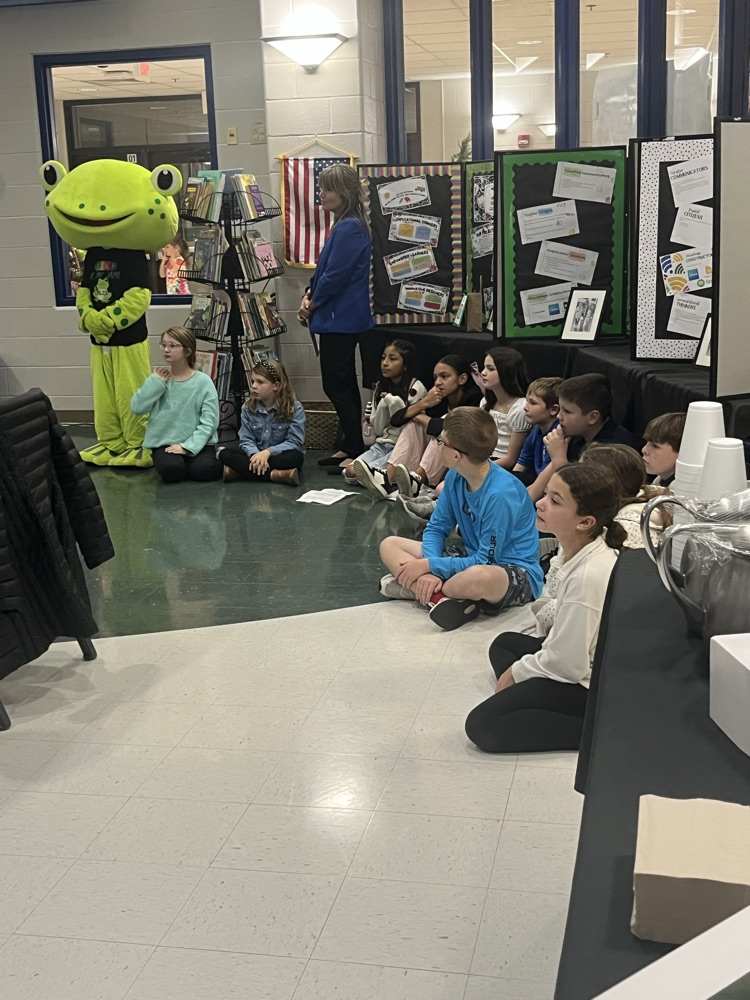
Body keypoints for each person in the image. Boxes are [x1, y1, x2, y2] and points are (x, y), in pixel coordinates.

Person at [464, 463, 625, 754]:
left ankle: (599, 732)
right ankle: (533, 704)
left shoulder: (588, 576)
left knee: (483, 724)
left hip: (590, 684)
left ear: (585, 521)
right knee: (504, 645)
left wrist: (519, 672)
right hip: (582, 659)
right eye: (547, 494)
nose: (540, 503)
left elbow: (569, 665)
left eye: (555, 500)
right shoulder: (578, 548)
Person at [379, 407, 543, 631]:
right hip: (474, 555)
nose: (436, 444)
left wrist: (429, 565)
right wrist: (430, 569)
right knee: (390, 545)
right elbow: (437, 528)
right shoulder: (456, 476)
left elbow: (486, 562)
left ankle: (419, 589)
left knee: (478, 578)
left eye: (440, 441)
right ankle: (439, 593)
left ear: (455, 454)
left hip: (509, 569)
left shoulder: (501, 494)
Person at [297, 164, 373, 467]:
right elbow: (324, 270)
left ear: (343, 192)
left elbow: (335, 276)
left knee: (336, 383)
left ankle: (354, 446)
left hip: (341, 319)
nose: (322, 194)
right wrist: (308, 292)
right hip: (337, 317)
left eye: (327, 189)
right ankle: (351, 443)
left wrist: (312, 303)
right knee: (343, 383)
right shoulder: (346, 223)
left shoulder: (350, 226)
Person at [356, 355, 482, 500]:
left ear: (462, 379)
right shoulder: (437, 398)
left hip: (463, 456)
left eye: (444, 377)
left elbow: (449, 428)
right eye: (435, 378)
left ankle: (417, 479)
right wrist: (423, 404)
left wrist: (418, 414)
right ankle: (387, 478)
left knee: (443, 427)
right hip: (439, 456)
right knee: (413, 425)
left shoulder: (474, 399)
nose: (438, 383)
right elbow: (396, 419)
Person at [130, 326, 222, 483]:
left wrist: (188, 447)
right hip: (166, 443)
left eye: (172, 346)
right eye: (163, 345)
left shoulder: (203, 382)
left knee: (205, 471)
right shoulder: (159, 380)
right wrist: (155, 384)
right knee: (172, 472)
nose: (166, 349)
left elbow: (210, 421)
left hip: (198, 442)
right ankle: (181, 463)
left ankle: (216, 455)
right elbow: (137, 407)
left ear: (187, 351)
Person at [341, 339, 426, 486]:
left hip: (402, 446)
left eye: (392, 359)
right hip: (381, 445)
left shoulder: (415, 388)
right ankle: (379, 477)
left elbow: (404, 425)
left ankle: (386, 477)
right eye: (383, 358)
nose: (385, 363)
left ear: (405, 365)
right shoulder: (380, 386)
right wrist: (383, 404)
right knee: (350, 472)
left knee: (370, 475)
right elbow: (378, 429)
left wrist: (392, 401)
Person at [220, 358, 305, 486]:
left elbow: (295, 442)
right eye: (253, 381)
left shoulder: (294, 408)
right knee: (224, 454)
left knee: (295, 458)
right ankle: (276, 475)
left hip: (277, 455)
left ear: (276, 385)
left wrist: (267, 452)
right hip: (254, 455)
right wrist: (256, 455)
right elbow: (246, 439)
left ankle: (239, 472)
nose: (253, 386)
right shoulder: (247, 407)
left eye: (260, 382)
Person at [479, 347, 531, 471]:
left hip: (500, 465)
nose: (483, 373)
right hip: (483, 457)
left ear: (507, 372)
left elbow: (511, 459)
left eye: (490, 369)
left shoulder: (519, 408)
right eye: (484, 367)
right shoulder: (486, 401)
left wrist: (477, 468)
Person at [642, 412, 686, 487]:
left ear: (682, 453)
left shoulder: (681, 493)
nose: (644, 450)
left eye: (655, 446)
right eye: (647, 442)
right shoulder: (659, 481)